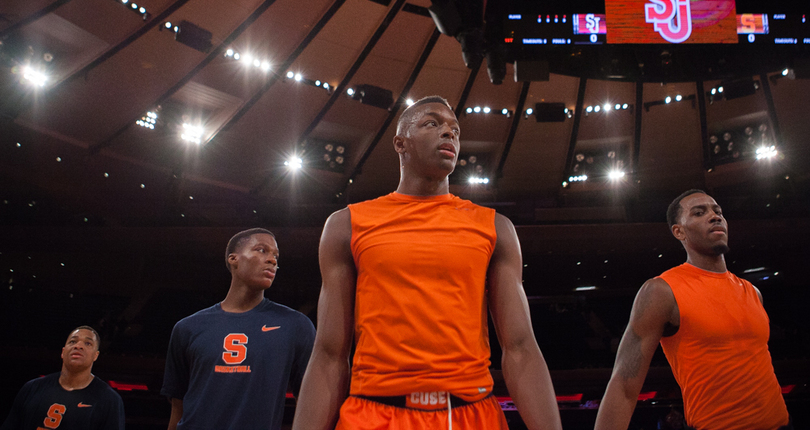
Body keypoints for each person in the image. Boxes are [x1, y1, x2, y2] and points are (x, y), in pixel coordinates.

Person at [292, 96, 562, 430]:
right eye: (432, 123)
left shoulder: (495, 227)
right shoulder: (347, 224)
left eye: (455, 130)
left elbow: (520, 348)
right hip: (375, 413)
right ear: (400, 143)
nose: (449, 133)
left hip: (471, 413)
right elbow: (330, 355)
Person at [595, 190, 791, 430]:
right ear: (679, 231)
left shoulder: (752, 291)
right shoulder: (661, 291)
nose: (714, 216)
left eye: (717, 211)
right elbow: (623, 387)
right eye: (700, 212)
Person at [161, 228, 316, 430]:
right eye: (262, 250)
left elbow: (311, 401)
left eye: (275, 256)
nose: (272, 260)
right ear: (233, 259)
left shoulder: (295, 325)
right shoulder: (187, 328)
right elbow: (177, 408)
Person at [1, 326, 125, 430]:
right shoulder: (32, 388)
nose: (78, 346)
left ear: (95, 355)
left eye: (88, 343)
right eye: (72, 341)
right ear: (63, 351)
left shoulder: (110, 400)